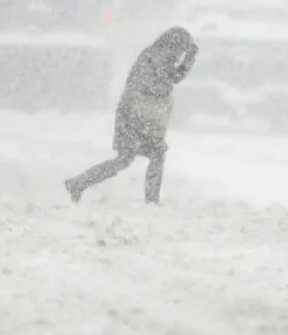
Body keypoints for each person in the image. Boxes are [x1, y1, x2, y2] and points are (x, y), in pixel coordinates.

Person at [64, 26, 199, 204]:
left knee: (128, 159)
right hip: (136, 115)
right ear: (175, 45)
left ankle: (79, 183)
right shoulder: (156, 57)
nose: (181, 53)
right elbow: (162, 83)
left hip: (137, 114)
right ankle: (150, 201)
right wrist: (186, 61)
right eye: (182, 49)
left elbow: (172, 78)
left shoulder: (156, 55)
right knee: (147, 156)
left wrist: (188, 60)